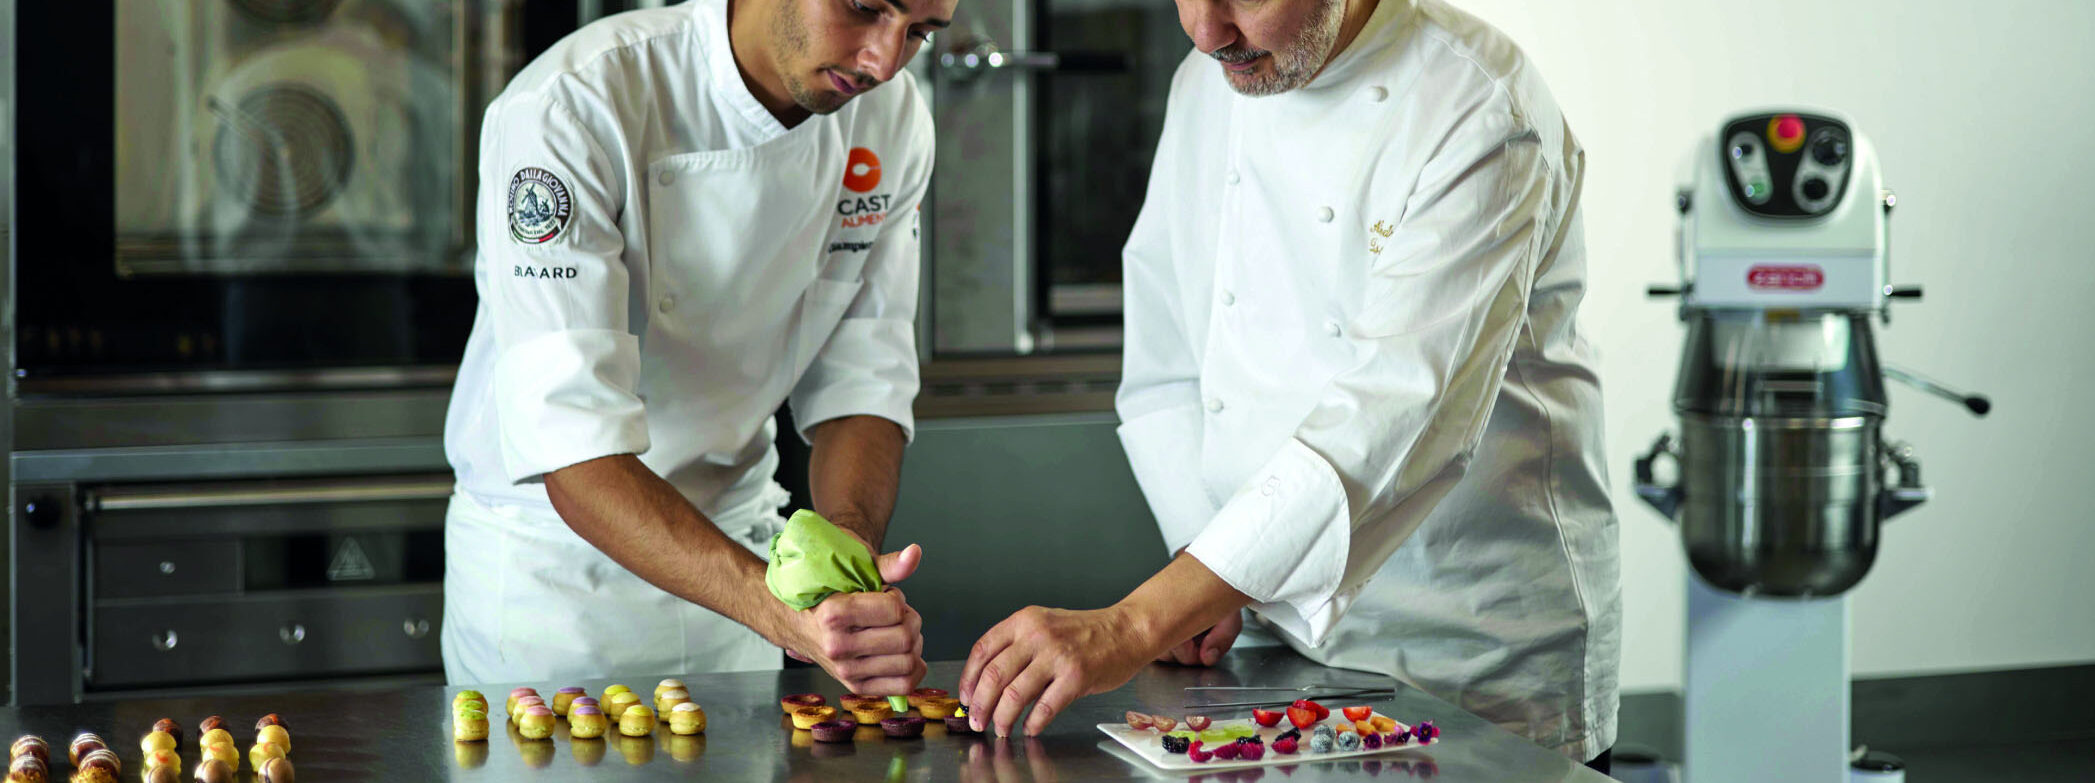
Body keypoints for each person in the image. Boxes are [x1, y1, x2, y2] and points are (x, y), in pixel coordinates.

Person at [958, 0, 1620, 770]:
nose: (1207, 33)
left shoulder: (1478, 108)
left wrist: (1135, 624)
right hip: (1264, 655)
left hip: (1465, 649)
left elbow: (1391, 424)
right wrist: (1200, 577)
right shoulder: (1207, 86)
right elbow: (1168, 358)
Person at [439, 0, 954, 697]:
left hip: (743, 562)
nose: (884, 60)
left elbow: (863, 380)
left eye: (920, 32)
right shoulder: (571, 105)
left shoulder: (892, 119)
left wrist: (844, 553)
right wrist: (779, 613)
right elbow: (574, 447)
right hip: (558, 596)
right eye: (864, 8)